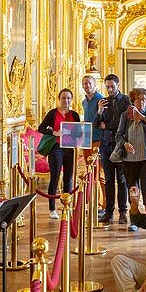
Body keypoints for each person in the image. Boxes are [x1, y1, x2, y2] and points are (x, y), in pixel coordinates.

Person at [116, 87, 146, 232]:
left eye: (143, 99)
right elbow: (119, 135)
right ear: (133, 101)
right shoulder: (125, 115)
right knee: (133, 189)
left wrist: (143, 117)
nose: (141, 102)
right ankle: (134, 220)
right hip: (129, 159)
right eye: (138, 99)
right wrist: (125, 143)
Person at [93, 73, 130, 225]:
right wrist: (100, 111)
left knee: (121, 180)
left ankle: (123, 212)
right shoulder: (103, 102)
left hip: (120, 144)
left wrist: (107, 125)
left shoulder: (126, 100)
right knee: (108, 180)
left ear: (118, 85)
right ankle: (109, 212)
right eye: (107, 87)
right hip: (106, 145)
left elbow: (124, 121)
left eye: (112, 87)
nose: (109, 90)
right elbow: (96, 124)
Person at [39, 88, 77, 218]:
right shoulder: (53, 113)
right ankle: (52, 208)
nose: (66, 100)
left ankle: (67, 206)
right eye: (63, 98)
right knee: (55, 177)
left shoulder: (74, 114)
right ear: (59, 99)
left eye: (68, 98)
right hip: (56, 148)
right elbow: (41, 128)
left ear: (71, 100)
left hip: (70, 149)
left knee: (68, 177)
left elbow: (78, 131)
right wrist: (54, 132)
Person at [80, 75, 104, 145]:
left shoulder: (101, 99)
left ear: (95, 84)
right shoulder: (84, 102)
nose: (87, 85)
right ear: (83, 86)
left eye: (90, 83)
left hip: (98, 137)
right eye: (85, 84)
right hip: (87, 137)